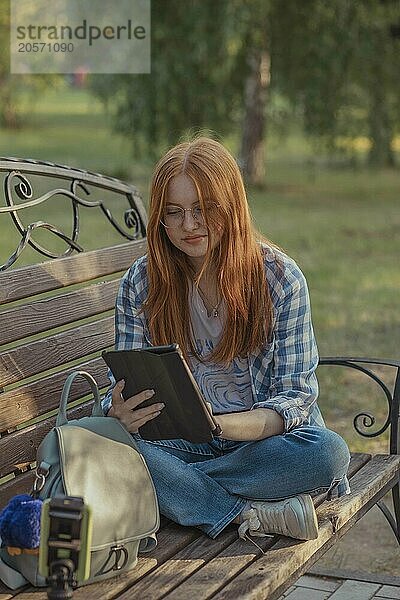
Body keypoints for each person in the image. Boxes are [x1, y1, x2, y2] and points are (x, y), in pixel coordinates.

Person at [102, 136, 350, 543]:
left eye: (203, 209)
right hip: (179, 445)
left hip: (263, 444)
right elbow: (132, 391)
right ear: (159, 219)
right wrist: (120, 413)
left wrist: (218, 426)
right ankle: (246, 513)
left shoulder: (279, 279)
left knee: (328, 453)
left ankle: (177, 493)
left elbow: (294, 401)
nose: (189, 226)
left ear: (231, 207)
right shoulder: (140, 283)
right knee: (114, 446)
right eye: (174, 212)